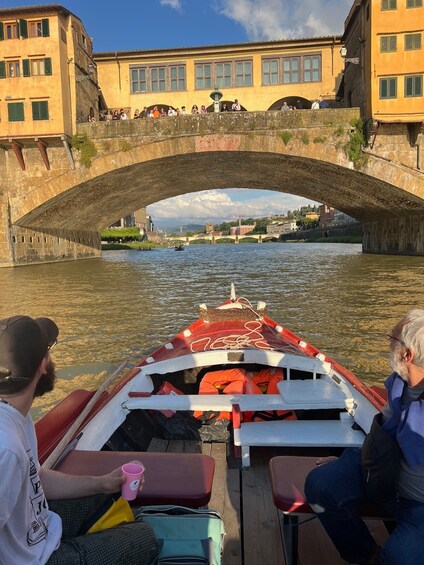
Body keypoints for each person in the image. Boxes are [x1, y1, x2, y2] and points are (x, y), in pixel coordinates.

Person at [0, 315, 158, 565]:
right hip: (34, 559)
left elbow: (36, 479)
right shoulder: (5, 447)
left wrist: (103, 483)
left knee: (110, 498)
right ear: (43, 365)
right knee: (145, 538)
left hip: (35, 529)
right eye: (48, 352)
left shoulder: (16, 415)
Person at [305, 310, 424, 565]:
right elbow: (382, 435)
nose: (387, 345)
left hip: (419, 504)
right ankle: (365, 556)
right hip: (384, 477)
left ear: (408, 355)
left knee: (399, 557)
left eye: (392, 340)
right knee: (321, 485)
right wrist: (360, 459)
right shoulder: (401, 385)